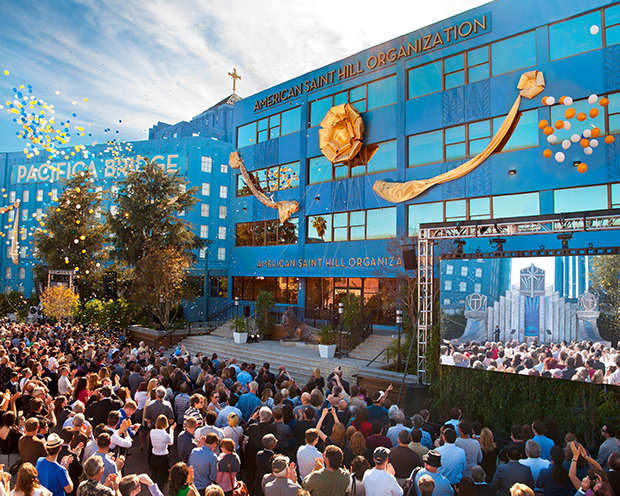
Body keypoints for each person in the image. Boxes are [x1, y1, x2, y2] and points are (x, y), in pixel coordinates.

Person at [149, 414, 175, 489]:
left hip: (153, 456)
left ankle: (153, 490)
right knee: (161, 477)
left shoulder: (152, 432)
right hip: (163, 458)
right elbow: (171, 442)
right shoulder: (165, 435)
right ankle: (159, 491)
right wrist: (171, 430)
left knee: (154, 475)